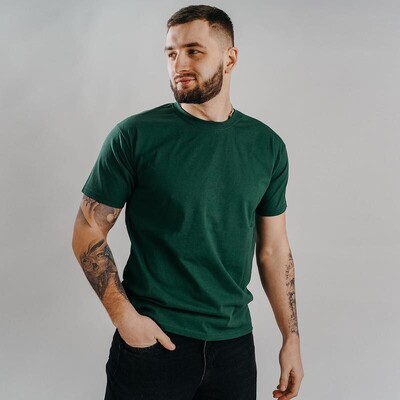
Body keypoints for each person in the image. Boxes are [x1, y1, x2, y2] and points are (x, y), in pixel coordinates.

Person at [72, 4, 304, 400]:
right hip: (153, 344)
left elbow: (273, 250)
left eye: (194, 51)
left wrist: (291, 337)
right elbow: (88, 230)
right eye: (171, 53)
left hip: (234, 348)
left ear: (230, 58)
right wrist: (126, 319)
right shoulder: (135, 136)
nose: (179, 63)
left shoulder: (267, 146)